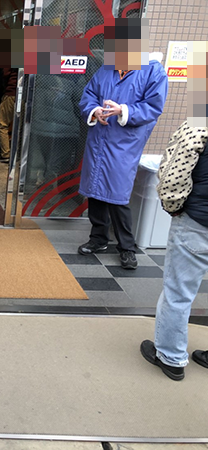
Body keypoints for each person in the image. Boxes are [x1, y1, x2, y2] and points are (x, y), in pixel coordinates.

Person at [77, 44, 168, 269]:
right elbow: (89, 94)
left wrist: (123, 110)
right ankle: (98, 238)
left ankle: (127, 247)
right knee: (95, 191)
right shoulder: (107, 68)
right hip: (99, 138)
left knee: (118, 195)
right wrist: (94, 111)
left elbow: (153, 107)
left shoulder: (153, 71)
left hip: (125, 142)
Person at [140, 121, 208, 381]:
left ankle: (171, 357)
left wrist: (173, 206)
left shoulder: (200, 122)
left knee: (179, 292)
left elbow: (173, 174)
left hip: (199, 222)